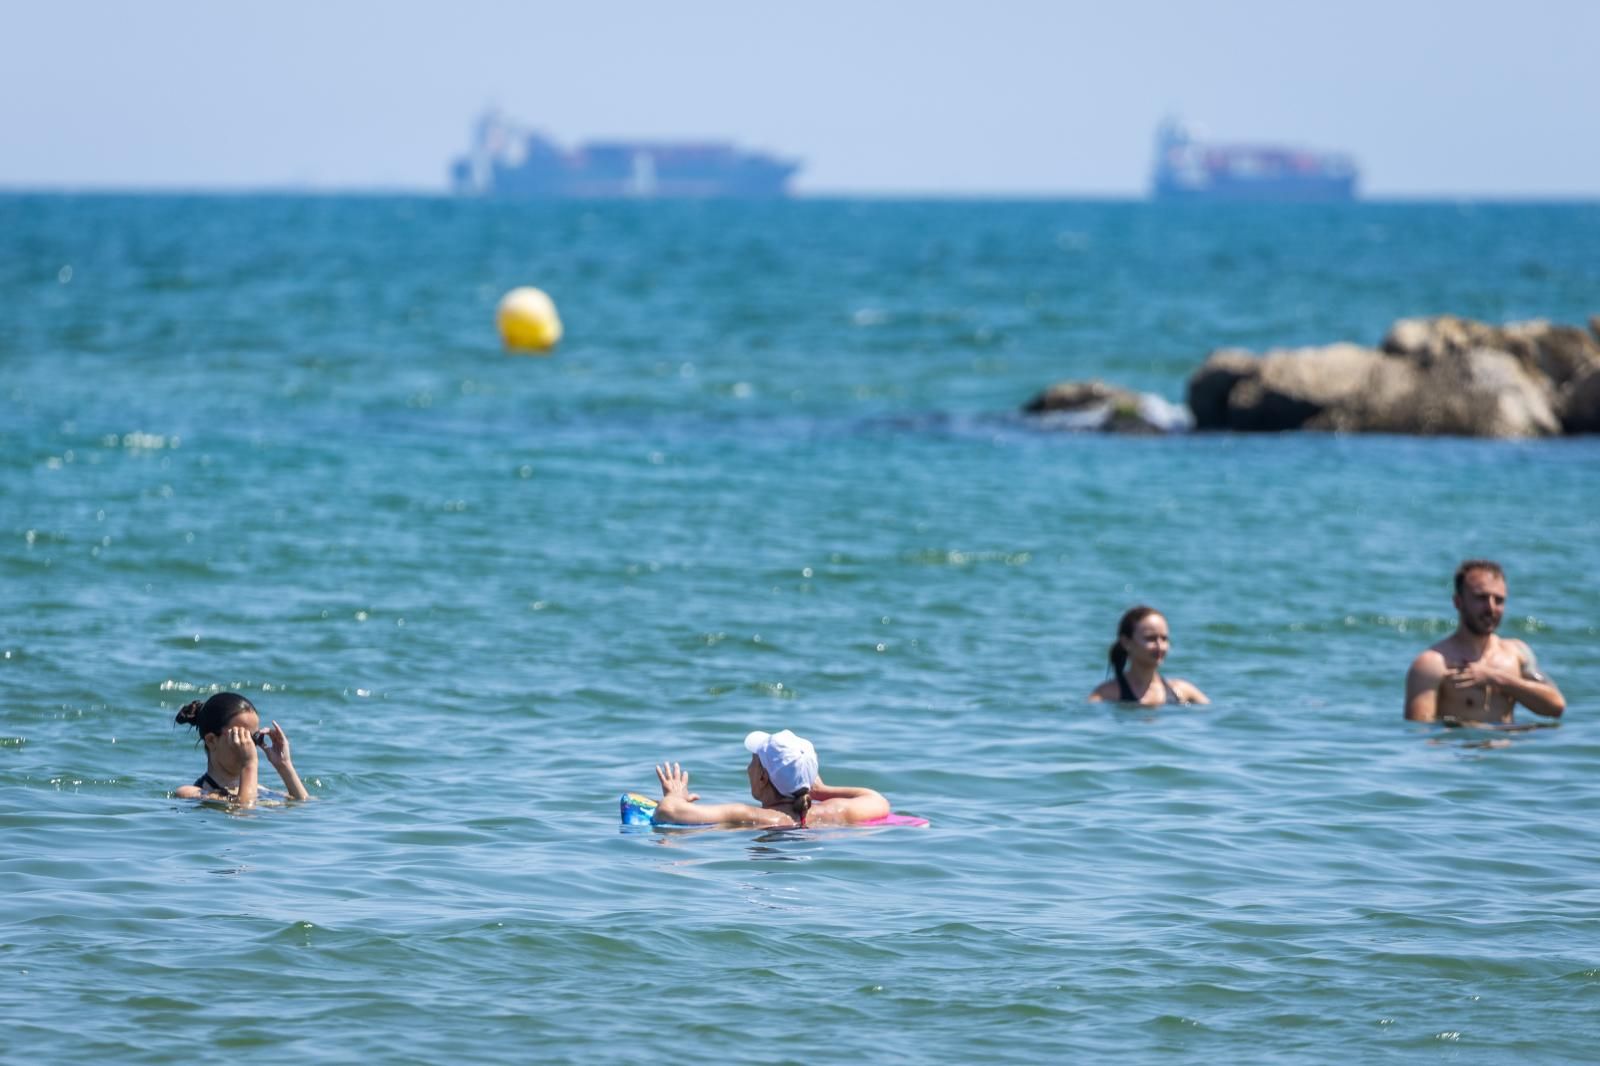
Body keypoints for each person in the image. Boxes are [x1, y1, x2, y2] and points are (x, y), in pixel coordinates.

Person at [1404, 559, 1565, 726]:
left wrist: (1496, 678)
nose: (1491, 608)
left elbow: (1556, 706)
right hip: (1459, 743)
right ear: (1458, 602)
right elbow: (1420, 732)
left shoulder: (1517, 653)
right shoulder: (1432, 664)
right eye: (1481, 598)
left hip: (1509, 743)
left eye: (1499, 600)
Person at [652, 729, 890, 828]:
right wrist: (821, 790)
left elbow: (668, 812)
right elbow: (877, 800)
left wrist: (675, 796)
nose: (748, 769)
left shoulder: (750, 816)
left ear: (763, 777)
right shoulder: (832, 813)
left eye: (753, 762)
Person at [173, 692, 310, 805]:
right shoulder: (192, 793)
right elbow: (245, 811)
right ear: (211, 741)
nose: (249, 746)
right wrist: (249, 764)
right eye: (240, 737)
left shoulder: (261, 791)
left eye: (255, 738)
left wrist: (284, 765)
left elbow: (304, 807)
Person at [1088, 605, 1208, 706]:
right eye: (1151, 638)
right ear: (1126, 642)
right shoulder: (1106, 694)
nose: (1160, 646)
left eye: (1164, 639)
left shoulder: (1183, 692)